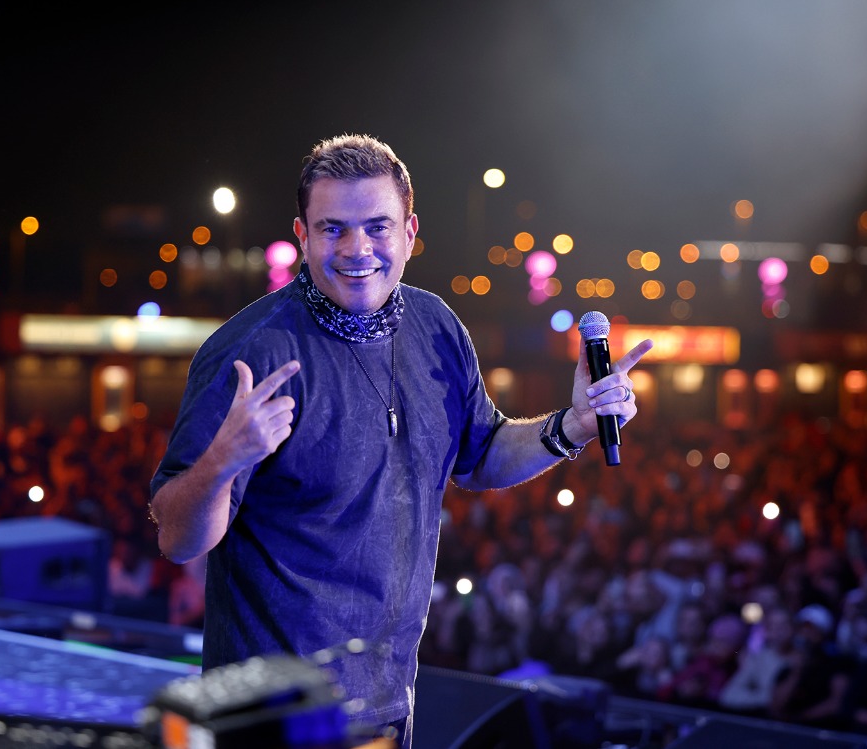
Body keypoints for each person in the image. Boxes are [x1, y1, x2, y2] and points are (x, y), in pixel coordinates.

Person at [148, 133, 654, 749]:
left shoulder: (437, 326)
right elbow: (177, 538)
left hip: (387, 704)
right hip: (269, 719)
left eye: (377, 227)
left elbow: (481, 455)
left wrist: (572, 426)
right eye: (332, 229)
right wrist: (223, 461)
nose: (356, 248)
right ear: (302, 235)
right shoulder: (252, 351)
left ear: (410, 233)